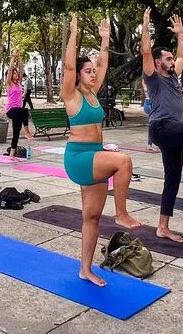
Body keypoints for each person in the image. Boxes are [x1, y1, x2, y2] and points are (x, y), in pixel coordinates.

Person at [61, 14, 146, 286]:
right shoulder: (72, 95)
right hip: (79, 157)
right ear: (78, 75)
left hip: (94, 155)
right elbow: (68, 67)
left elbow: (103, 63)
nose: (93, 73)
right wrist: (73, 33)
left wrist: (106, 39)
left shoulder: (92, 93)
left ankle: (84, 269)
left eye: (93, 71)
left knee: (92, 216)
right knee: (123, 161)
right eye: (88, 71)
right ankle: (121, 213)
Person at [141, 8, 183, 241]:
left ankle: (163, 226)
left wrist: (181, 35)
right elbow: (145, 52)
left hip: (173, 129)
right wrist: (146, 25)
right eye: (167, 58)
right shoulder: (153, 77)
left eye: (171, 58)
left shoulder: (172, 75)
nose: (172, 61)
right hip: (161, 127)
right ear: (158, 62)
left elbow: (182, 57)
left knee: (171, 180)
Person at [4, 51, 33, 157]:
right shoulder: (9, 84)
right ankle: (27, 132)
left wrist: (19, 57)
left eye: (16, 73)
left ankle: (11, 154)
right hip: (11, 110)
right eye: (14, 73)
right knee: (25, 110)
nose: (16, 74)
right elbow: (11, 68)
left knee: (16, 132)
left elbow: (21, 68)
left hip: (18, 111)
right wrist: (12, 57)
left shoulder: (19, 83)